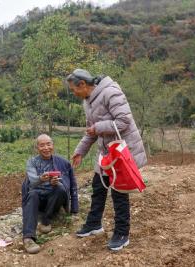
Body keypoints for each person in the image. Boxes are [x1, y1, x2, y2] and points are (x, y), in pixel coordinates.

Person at [66, 69, 147, 251]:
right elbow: (91, 131)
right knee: (98, 187)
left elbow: (123, 121)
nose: (74, 93)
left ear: (83, 84)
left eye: (74, 89)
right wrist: (80, 151)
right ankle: (94, 223)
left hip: (121, 151)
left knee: (119, 193)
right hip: (106, 152)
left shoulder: (111, 92)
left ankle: (122, 233)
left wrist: (98, 127)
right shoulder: (87, 102)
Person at [22, 134, 78, 254]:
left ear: (53, 145)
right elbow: (32, 182)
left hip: (54, 200)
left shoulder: (63, 162)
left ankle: (46, 220)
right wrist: (42, 178)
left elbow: (72, 184)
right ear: (37, 148)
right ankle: (28, 238)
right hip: (38, 199)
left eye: (48, 144)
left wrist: (74, 208)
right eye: (42, 145)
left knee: (60, 188)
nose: (46, 148)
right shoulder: (32, 162)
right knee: (32, 194)